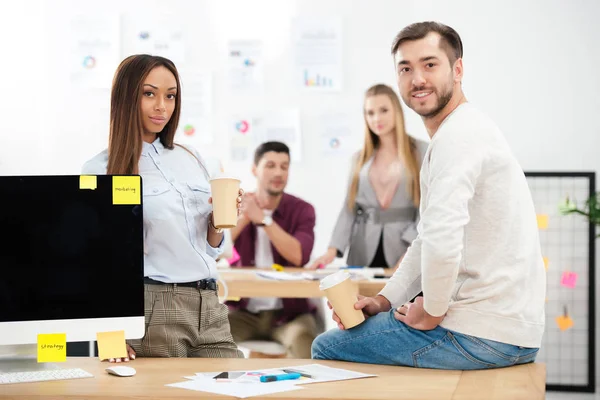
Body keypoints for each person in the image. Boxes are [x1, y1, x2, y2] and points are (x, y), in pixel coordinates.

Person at [311, 21, 545, 369]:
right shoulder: (461, 130)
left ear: (458, 69)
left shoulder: (457, 137)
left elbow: (441, 237)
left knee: (327, 346)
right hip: (508, 330)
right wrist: (386, 299)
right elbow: (427, 239)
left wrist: (432, 311)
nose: (417, 78)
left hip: (480, 333)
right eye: (406, 68)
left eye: (430, 64)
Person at [82, 54, 244, 361]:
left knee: (237, 386)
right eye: (149, 94)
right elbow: (94, 261)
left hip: (209, 305)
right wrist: (108, 336)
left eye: (170, 96)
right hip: (153, 308)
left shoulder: (192, 158)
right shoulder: (100, 169)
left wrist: (216, 221)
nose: (162, 106)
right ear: (127, 97)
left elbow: (212, 249)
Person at [309, 84, 428, 269]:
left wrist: (412, 252)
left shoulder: (422, 151)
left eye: (383, 110)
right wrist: (331, 251)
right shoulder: (359, 159)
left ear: (396, 111)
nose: (376, 118)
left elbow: (427, 210)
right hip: (363, 249)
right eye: (370, 113)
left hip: (405, 247)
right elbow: (349, 209)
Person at [227, 141, 318, 358]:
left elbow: (298, 256)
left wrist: (264, 220)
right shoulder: (237, 204)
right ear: (254, 170)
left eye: (284, 166)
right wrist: (244, 218)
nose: (278, 172)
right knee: (205, 332)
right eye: (270, 165)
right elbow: (215, 249)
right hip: (244, 312)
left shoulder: (302, 210)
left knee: (305, 339)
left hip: (289, 315)